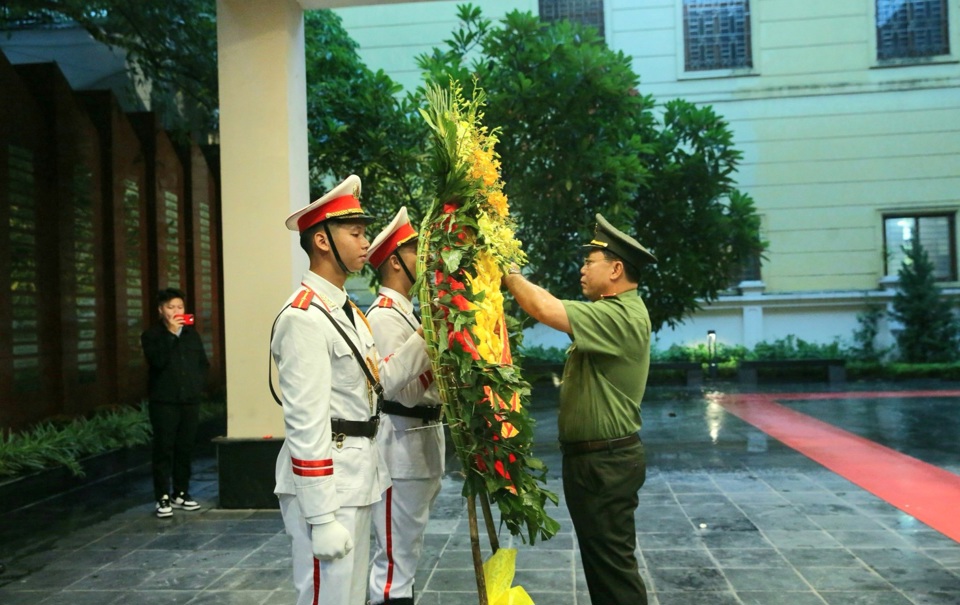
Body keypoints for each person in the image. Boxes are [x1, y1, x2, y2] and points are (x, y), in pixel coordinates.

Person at [272, 175, 433, 605]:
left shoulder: (345, 312)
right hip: (330, 484)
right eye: (356, 233)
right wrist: (321, 515)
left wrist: (434, 326)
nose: (366, 244)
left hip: (358, 475)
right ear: (322, 241)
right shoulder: (304, 317)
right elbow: (305, 423)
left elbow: (381, 380)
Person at [501, 214, 657, 605]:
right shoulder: (612, 311)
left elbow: (545, 308)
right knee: (604, 567)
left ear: (616, 269)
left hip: (606, 463)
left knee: (613, 570)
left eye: (591, 261)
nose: (582, 269)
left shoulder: (620, 314)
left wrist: (508, 271)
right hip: (596, 461)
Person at [365, 208, 444, 605]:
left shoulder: (404, 313)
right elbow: (396, 387)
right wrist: (431, 329)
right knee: (393, 565)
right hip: (400, 450)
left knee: (405, 557)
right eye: (416, 252)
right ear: (395, 261)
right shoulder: (382, 316)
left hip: (419, 446)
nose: (424, 259)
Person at [141, 287, 210, 519]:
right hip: (164, 402)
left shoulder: (192, 334)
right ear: (161, 310)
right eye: (171, 307)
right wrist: (171, 334)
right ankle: (162, 496)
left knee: (185, 447)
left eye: (179, 307)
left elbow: (202, 363)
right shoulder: (152, 336)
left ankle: (181, 492)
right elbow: (158, 362)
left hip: (189, 401)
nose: (176, 311)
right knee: (164, 448)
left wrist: (197, 386)